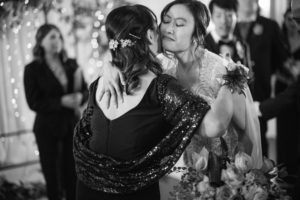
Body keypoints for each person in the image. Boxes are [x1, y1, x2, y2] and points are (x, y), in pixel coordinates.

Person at [73, 4, 244, 200]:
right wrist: (230, 79)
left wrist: (109, 63)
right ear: (151, 36)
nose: (167, 29)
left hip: (85, 191)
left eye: (178, 23)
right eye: (161, 24)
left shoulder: (100, 84)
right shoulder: (160, 87)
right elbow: (215, 126)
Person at [23, 24, 88, 200]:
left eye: (59, 37)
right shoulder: (32, 69)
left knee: (72, 175)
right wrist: (60, 101)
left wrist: (80, 98)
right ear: (40, 41)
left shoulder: (71, 64)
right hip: (47, 130)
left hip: (71, 127)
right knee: (53, 178)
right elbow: (33, 102)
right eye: (52, 37)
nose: (57, 41)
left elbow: (86, 90)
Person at [234, 0, 289, 156]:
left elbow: (282, 63)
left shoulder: (270, 26)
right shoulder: (228, 24)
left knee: (258, 148)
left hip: (259, 98)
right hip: (232, 97)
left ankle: (259, 179)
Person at [205, 0, 250, 67]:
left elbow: (248, 75)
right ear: (211, 18)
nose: (223, 21)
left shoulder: (242, 44)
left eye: (229, 15)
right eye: (218, 15)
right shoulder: (202, 44)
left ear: (236, 17)